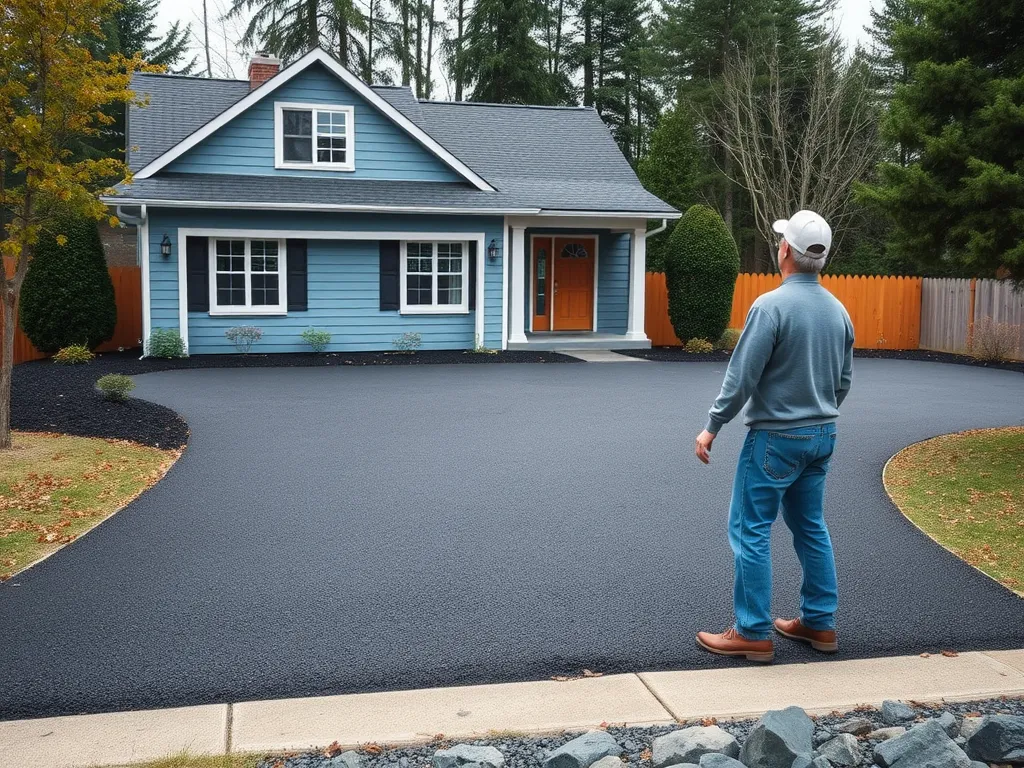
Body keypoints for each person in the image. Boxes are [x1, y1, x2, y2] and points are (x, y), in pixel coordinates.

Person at [693, 210, 854, 663]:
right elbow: (842, 382)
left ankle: (752, 632)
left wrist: (712, 427)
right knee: (810, 527)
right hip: (823, 435)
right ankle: (820, 624)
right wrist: (816, 412)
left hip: (775, 440)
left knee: (750, 529)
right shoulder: (838, 311)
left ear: (785, 250)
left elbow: (741, 378)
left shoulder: (770, 307)